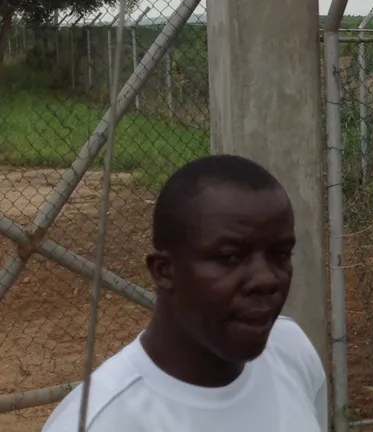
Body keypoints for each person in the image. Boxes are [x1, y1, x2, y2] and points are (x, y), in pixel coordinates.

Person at [42, 154, 328, 431]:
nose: (266, 280)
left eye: (280, 254)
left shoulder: (292, 351)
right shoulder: (101, 420)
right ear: (164, 271)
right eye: (229, 257)